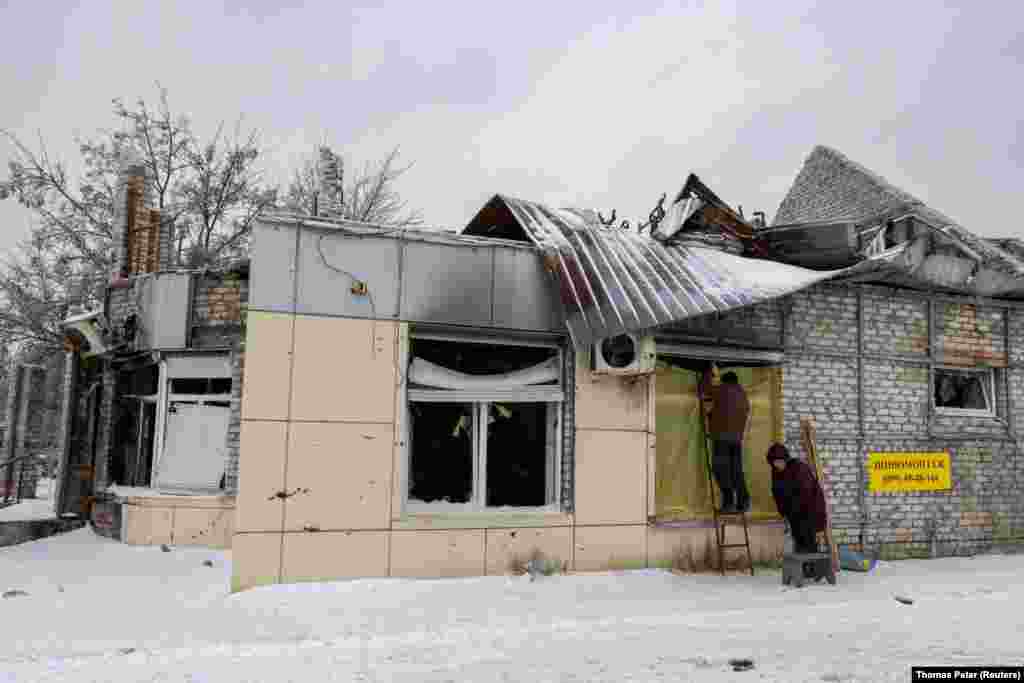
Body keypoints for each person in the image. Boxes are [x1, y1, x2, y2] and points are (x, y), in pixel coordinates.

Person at [700, 366, 751, 513]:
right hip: (737, 439)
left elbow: (704, 390)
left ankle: (728, 503)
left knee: (720, 469)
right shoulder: (743, 394)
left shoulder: (722, 390)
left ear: (724, 381)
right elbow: (730, 412)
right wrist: (713, 415)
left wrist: (707, 373)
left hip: (722, 437)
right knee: (736, 471)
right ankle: (743, 501)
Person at [765, 443, 827, 554]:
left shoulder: (799, 468)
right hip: (794, 516)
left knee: (809, 547)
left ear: (785, 459)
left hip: (810, 513)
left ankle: (811, 563)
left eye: (779, 461)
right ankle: (803, 563)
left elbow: (807, 495)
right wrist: (783, 513)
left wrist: (818, 525)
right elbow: (777, 493)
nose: (777, 465)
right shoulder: (776, 472)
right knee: (799, 547)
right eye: (774, 462)